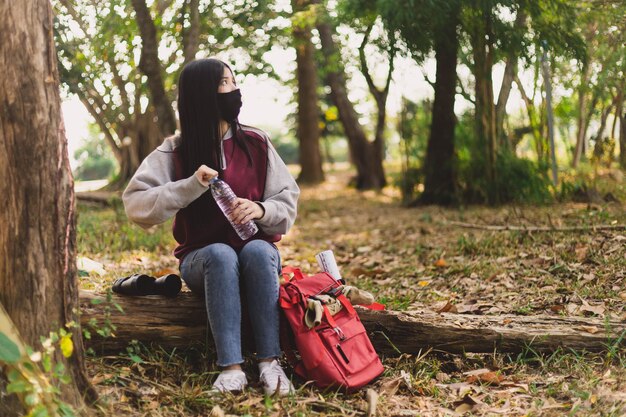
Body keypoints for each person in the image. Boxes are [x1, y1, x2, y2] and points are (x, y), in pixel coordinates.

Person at [122, 58, 300, 396]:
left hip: (257, 259)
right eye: (225, 82)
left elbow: (288, 201)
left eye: (234, 81)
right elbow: (136, 205)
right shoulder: (175, 149)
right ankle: (231, 368)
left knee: (260, 249)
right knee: (219, 254)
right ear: (202, 93)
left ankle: (269, 363)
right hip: (201, 262)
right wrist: (189, 185)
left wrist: (261, 209)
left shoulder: (256, 142)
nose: (234, 90)